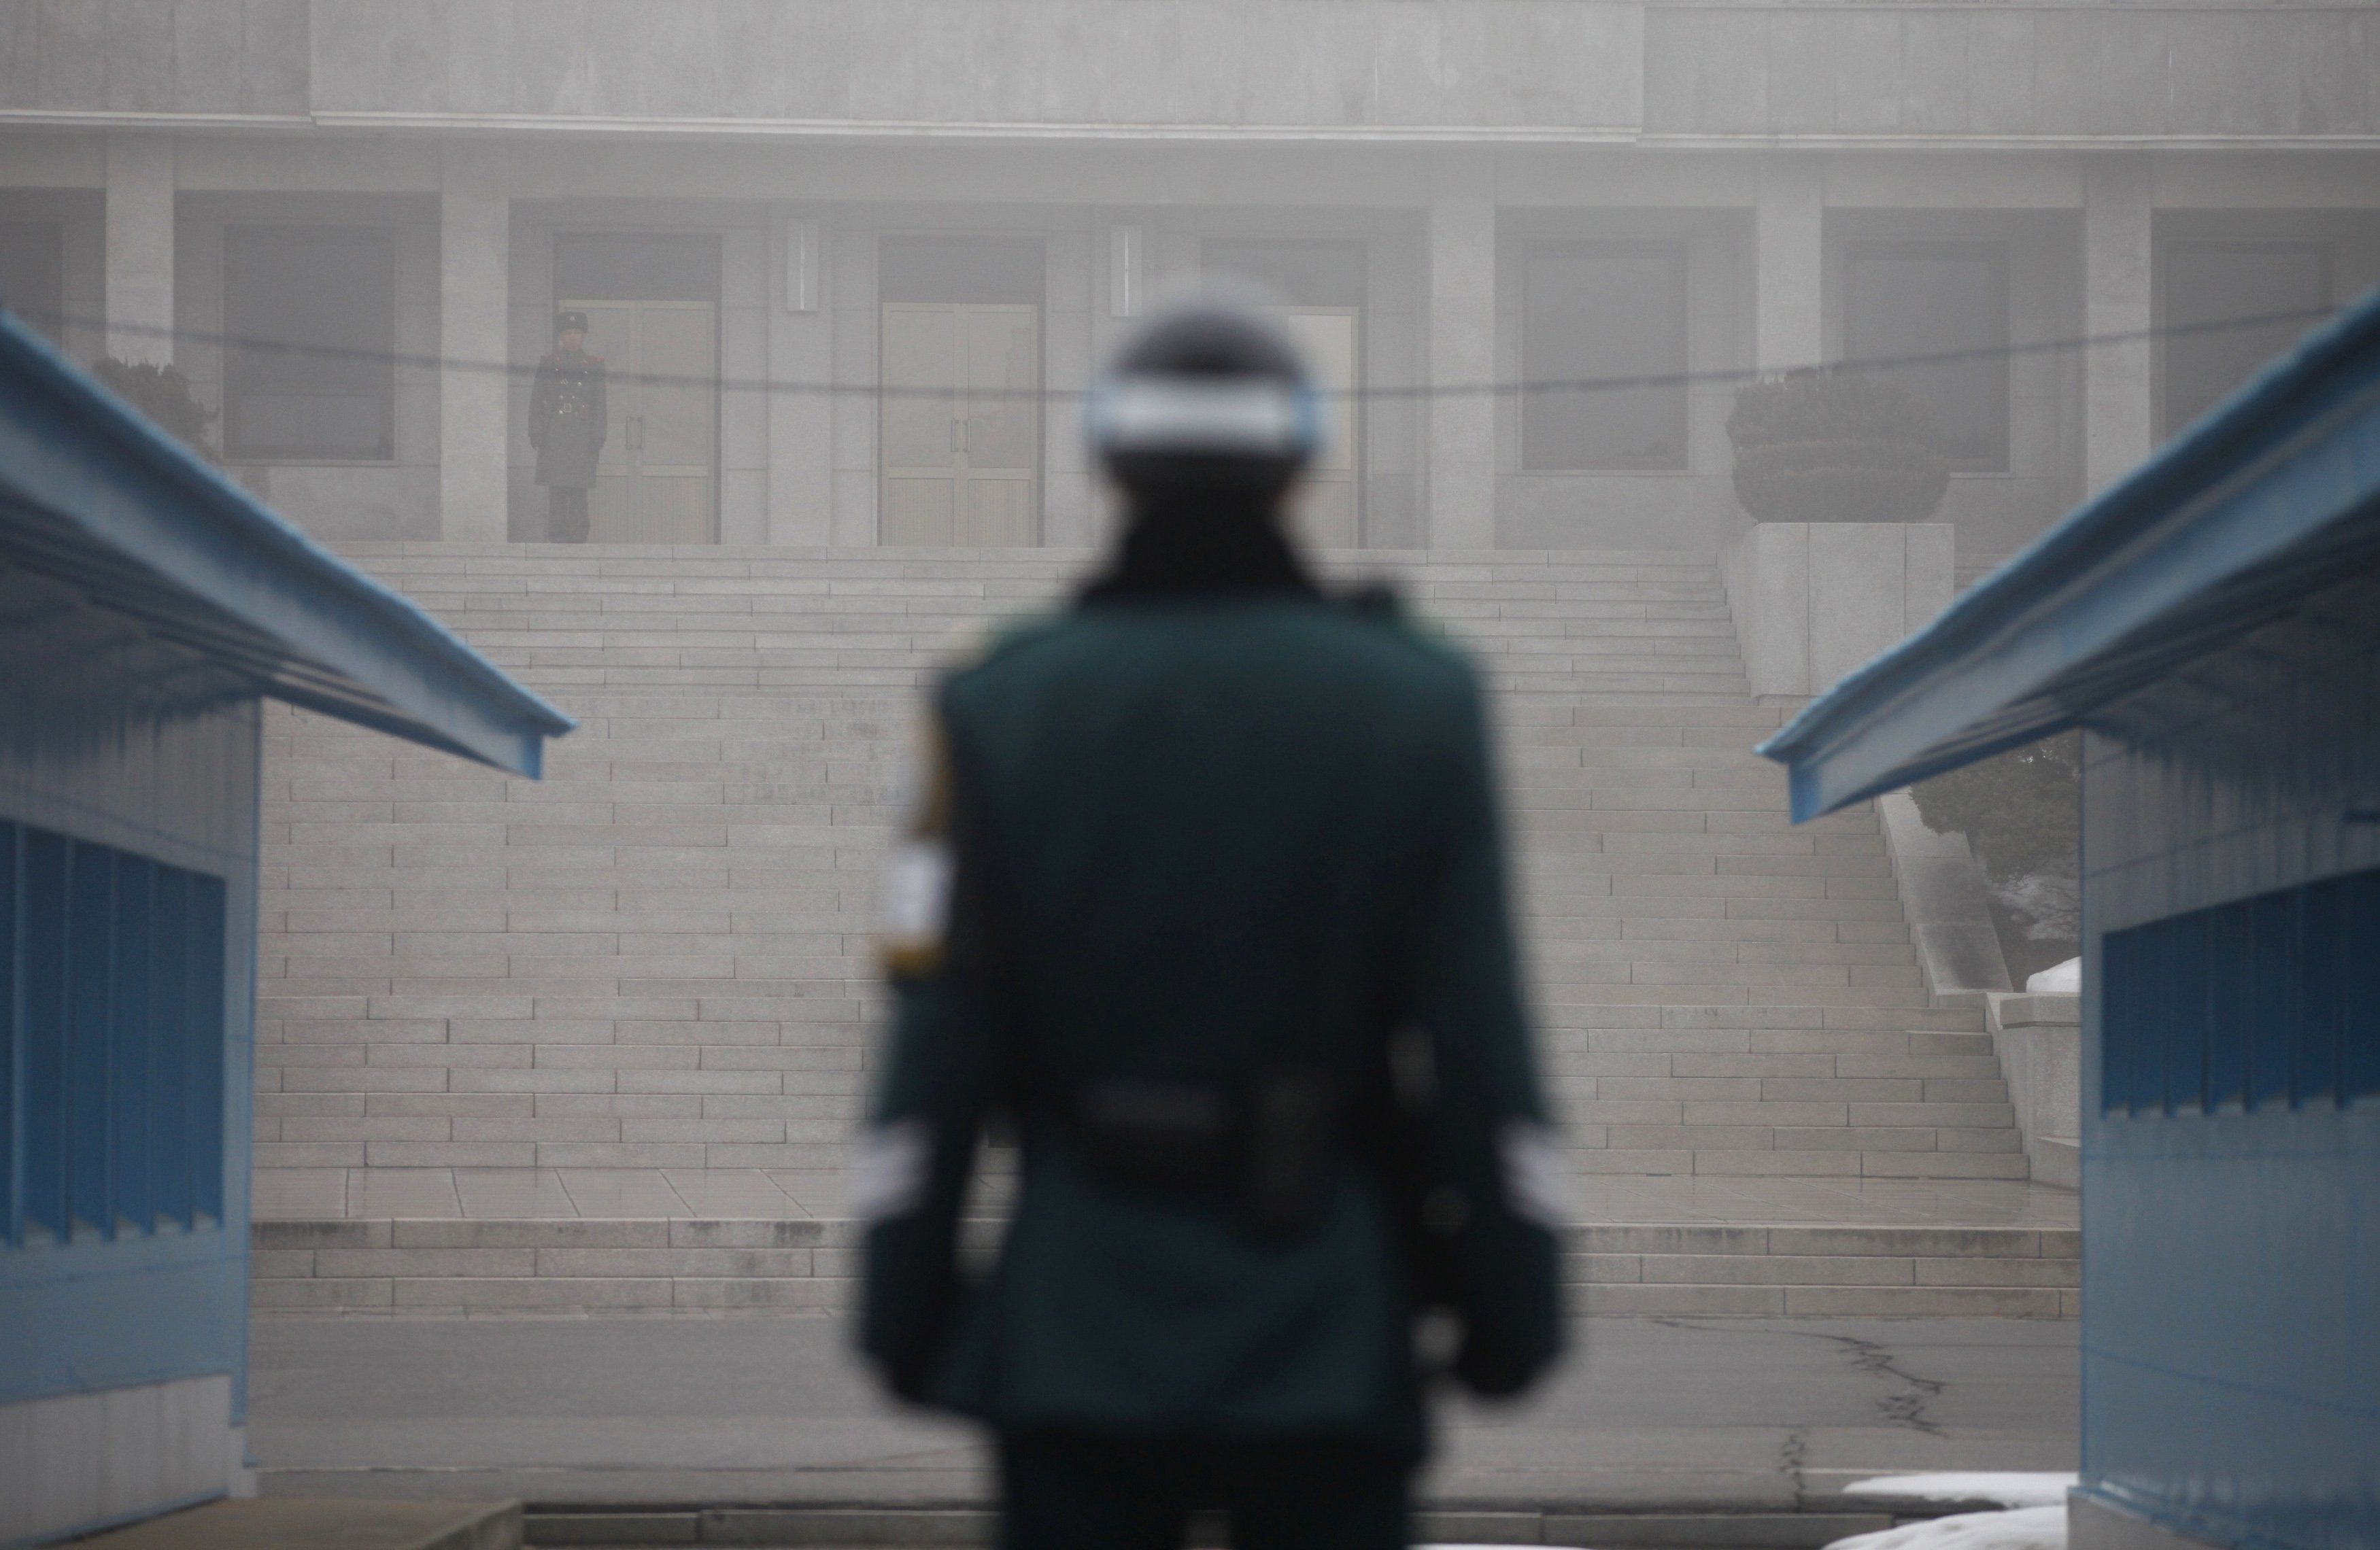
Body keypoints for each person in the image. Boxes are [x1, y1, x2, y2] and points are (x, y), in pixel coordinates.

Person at [855, 297, 1568, 1550]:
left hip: (1077, 1317)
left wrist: (902, 1304)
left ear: (1108, 461)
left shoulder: (997, 703)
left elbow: (938, 1038)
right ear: (1299, 462)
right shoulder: (1415, 700)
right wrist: (1518, 1301)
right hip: (1329, 1317)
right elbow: (1482, 1036)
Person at [528, 310, 606, 542]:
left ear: (584, 336)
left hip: (582, 434)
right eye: (568, 333)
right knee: (557, 488)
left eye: (577, 333)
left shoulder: (594, 365)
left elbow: (600, 405)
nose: (573, 338)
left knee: (579, 489)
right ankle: (558, 536)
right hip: (556, 433)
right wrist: (536, 431)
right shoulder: (549, 364)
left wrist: (598, 436)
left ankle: (579, 537)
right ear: (561, 337)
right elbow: (536, 401)